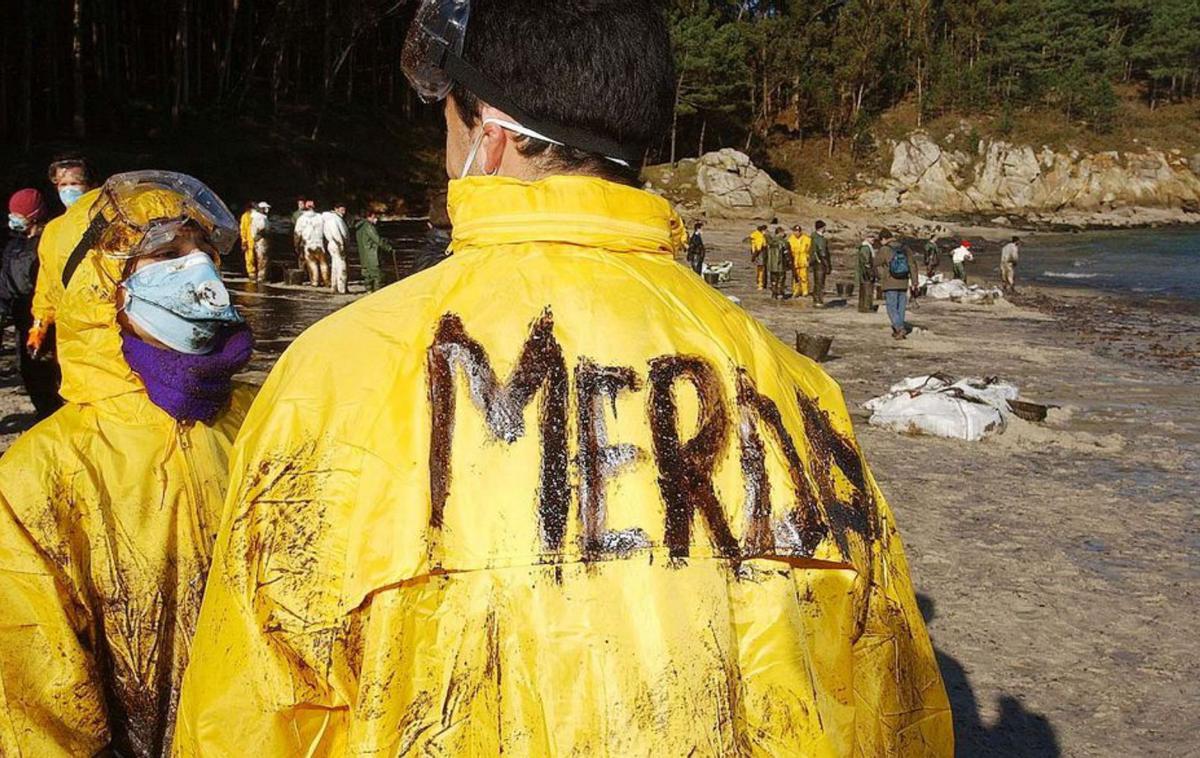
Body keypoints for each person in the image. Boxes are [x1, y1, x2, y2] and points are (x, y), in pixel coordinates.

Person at [174, 2, 950, 755]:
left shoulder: (338, 374)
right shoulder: (793, 386)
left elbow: (254, 710)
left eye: (450, 124)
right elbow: (895, 704)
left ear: (495, 139)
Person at [0, 171, 256, 756]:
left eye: (201, 251)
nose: (197, 270)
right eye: (166, 254)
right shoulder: (40, 473)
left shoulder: (262, 416)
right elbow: (34, 707)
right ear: (99, 290)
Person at [27, 155, 100, 362]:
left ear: (93, 186)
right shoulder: (52, 230)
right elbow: (47, 282)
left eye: (75, 183)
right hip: (68, 330)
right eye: (62, 184)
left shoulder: (108, 224)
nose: (68, 190)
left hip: (106, 326)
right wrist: (39, 325)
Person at [0, 189, 63, 418]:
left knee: (51, 373)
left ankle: (55, 415)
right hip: (20, 319)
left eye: (19, 214)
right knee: (29, 373)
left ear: (34, 215)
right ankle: (44, 414)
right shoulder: (14, 244)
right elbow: (5, 281)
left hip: (45, 319)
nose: (14, 218)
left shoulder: (48, 241)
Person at [879, 230, 919, 340]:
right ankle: (898, 329)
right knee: (901, 307)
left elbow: (876, 264)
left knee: (891, 308)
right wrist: (915, 282)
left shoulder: (884, 249)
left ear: (883, 238)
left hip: (890, 282)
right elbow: (912, 265)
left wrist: (882, 276)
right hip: (904, 281)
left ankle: (899, 328)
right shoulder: (905, 248)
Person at [354, 208, 395, 292]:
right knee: (378, 276)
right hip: (372, 255)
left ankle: (369, 292)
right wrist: (389, 248)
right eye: (375, 216)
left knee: (368, 276)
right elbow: (377, 240)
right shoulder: (369, 227)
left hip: (363, 256)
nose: (377, 219)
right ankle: (377, 294)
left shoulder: (359, 227)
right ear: (371, 216)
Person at [296, 200, 327, 286]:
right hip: (320, 244)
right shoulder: (320, 217)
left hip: (308, 244)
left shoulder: (301, 219)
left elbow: (297, 233)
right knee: (323, 263)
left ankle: (315, 282)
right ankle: (326, 281)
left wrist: (297, 245)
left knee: (312, 263)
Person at [323, 203, 350, 293]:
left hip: (332, 244)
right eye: (342, 209)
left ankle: (334, 286)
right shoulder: (335, 219)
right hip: (337, 244)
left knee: (335, 265)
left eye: (344, 209)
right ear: (336, 209)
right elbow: (336, 233)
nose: (344, 211)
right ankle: (341, 288)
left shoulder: (330, 219)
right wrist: (341, 244)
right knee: (342, 266)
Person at [809, 219, 831, 305]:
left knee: (817, 282)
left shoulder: (814, 237)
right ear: (822, 228)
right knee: (820, 282)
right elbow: (823, 252)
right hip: (820, 262)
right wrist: (827, 264)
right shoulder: (819, 239)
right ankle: (818, 300)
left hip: (816, 261)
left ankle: (816, 299)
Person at [856, 232, 879, 313]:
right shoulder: (866, 248)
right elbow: (866, 262)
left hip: (864, 272)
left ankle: (863, 307)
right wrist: (871, 272)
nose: (873, 238)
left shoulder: (867, 247)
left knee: (865, 289)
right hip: (866, 273)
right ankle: (866, 307)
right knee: (867, 289)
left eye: (873, 237)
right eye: (870, 237)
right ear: (866, 238)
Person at [248, 201, 271, 282]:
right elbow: (262, 229)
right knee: (262, 259)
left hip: (258, 240)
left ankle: (261, 276)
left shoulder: (256, 217)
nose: (267, 209)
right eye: (266, 208)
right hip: (261, 240)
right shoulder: (261, 218)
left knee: (260, 258)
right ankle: (261, 277)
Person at [787, 224, 812, 299]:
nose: (796, 233)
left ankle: (805, 291)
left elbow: (810, 249)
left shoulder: (807, 239)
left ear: (800, 231)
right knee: (795, 277)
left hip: (803, 260)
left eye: (797, 231)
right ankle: (796, 291)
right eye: (794, 231)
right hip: (795, 260)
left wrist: (808, 258)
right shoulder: (790, 239)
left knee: (804, 277)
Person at [766, 225, 789, 299]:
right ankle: (780, 293)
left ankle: (774, 293)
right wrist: (789, 263)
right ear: (780, 233)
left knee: (773, 279)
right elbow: (786, 254)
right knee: (781, 279)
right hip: (780, 264)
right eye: (783, 232)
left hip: (771, 264)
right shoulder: (783, 242)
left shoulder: (771, 242)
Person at [238, 201, 255, 276]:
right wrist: (244, 240)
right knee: (249, 257)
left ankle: (254, 271)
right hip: (249, 240)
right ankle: (251, 272)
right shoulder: (245, 216)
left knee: (254, 256)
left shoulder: (255, 216)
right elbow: (243, 229)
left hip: (255, 239)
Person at [750, 223, 767, 289]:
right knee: (761, 270)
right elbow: (759, 248)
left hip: (755, 253)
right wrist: (753, 257)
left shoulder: (754, 234)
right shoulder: (760, 236)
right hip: (760, 254)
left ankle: (759, 283)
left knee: (758, 269)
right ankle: (760, 284)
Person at [290, 197, 307, 267]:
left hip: (308, 236)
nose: (301, 205)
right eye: (299, 204)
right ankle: (302, 270)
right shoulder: (295, 214)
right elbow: (293, 226)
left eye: (302, 203)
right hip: (299, 236)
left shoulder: (308, 213)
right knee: (301, 255)